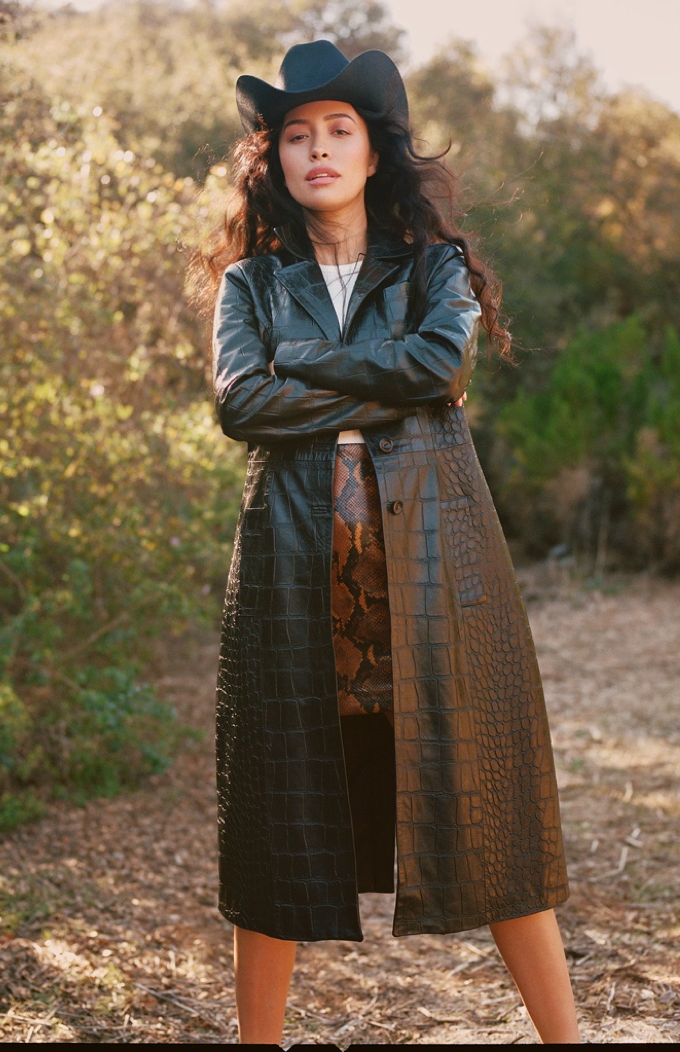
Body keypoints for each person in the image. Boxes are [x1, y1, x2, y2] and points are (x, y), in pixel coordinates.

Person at [192, 39, 580, 1045]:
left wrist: (311, 370)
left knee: (484, 806)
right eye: (294, 134)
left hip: (438, 567)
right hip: (289, 568)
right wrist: (385, 371)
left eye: (337, 130)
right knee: (278, 819)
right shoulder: (248, 287)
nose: (316, 149)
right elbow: (242, 399)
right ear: (272, 159)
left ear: (372, 152)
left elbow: (438, 365)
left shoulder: (435, 266)